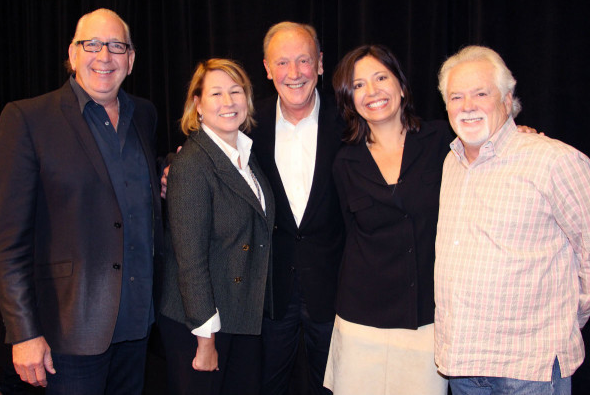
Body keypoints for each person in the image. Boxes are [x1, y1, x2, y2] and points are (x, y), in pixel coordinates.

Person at [0, 8, 164, 395]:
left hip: (138, 328)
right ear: (72, 54)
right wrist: (23, 333)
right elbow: (7, 242)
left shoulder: (145, 116)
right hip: (66, 335)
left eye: (117, 46)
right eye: (92, 44)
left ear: (131, 59)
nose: (105, 57)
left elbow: (135, 192)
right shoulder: (27, 119)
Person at [434, 45, 590, 395]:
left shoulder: (553, 160)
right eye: (456, 97)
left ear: (507, 99)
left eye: (481, 93)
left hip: (529, 368)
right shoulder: (451, 163)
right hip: (463, 365)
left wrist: (567, 319)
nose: (468, 106)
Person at [323, 44, 451, 395]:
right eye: (359, 85)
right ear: (349, 100)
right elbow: (349, 235)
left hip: (425, 317)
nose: (373, 91)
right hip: (361, 318)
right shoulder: (345, 162)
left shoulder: (442, 140)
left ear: (402, 86)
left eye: (381, 78)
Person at [158, 58, 275, 395]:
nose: (228, 102)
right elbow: (189, 261)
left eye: (236, 92)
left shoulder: (246, 155)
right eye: (216, 93)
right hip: (201, 325)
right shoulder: (191, 163)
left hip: (240, 315)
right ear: (197, 104)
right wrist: (205, 340)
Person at [251, 22, 345, 395]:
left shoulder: (352, 121)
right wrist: (169, 168)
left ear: (320, 64)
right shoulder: (246, 123)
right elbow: (202, 161)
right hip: (270, 290)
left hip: (335, 288)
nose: (294, 73)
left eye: (304, 60)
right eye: (283, 62)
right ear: (267, 68)